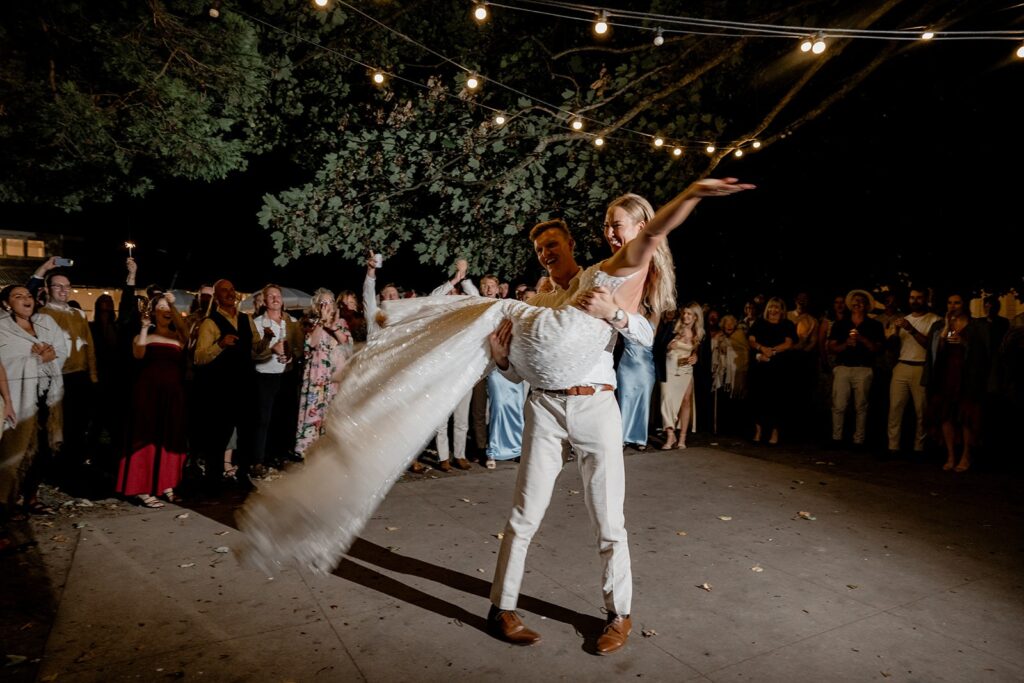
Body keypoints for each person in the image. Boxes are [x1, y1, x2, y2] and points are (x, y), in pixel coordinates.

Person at [236, 176, 754, 640]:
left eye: (615, 226)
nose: (610, 234)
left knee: (608, 519)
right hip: (544, 408)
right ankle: (501, 607)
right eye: (542, 248)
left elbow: (642, 322)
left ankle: (619, 614)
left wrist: (687, 200)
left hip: (596, 408)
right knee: (523, 515)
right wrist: (503, 362)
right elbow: (530, 359)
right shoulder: (553, 292)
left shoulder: (613, 275)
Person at [606, 194, 674, 450]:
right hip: (613, 362)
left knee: (640, 398)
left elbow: (647, 334)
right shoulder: (609, 269)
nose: (610, 233)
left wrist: (617, 315)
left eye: (616, 225)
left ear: (641, 228)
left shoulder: (649, 277)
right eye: (606, 225)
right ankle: (621, 436)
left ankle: (635, 437)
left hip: (640, 358)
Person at [116, 294, 189, 507]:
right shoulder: (144, 335)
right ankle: (141, 488)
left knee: (169, 439)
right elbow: (138, 354)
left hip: (172, 394)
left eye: (168, 307)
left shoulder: (178, 336)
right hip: (148, 394)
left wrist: (173, 304)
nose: (166, 310)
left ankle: (167, 485)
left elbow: (186, 332)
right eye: (161, 307)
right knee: (146, 438)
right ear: (152, 311)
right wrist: (145, 327)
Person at [657, 303, 703, 450]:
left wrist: (695, 356)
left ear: (696, 316)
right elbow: (658, 345)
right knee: (666, 399)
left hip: (685, 369)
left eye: (689, 314)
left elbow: (699, 353)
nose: (685, 316)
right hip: (669, 368)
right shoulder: (672, 326)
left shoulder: (699, 333)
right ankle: (670, 435)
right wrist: (668, 346)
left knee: (686, 401)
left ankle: (682, 438)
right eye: (684, 313)